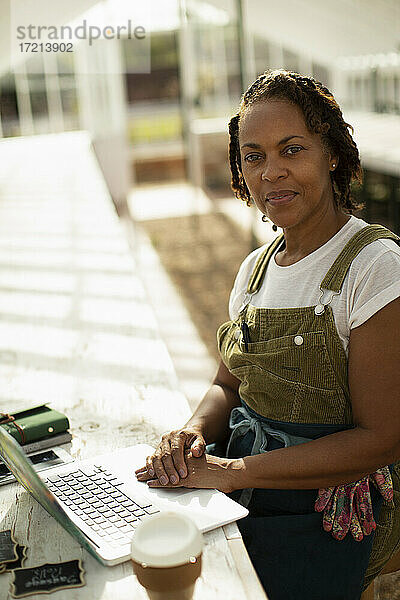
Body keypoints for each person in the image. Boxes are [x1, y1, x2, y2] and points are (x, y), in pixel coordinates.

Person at [135, 70, 400, 600]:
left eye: (291, 149)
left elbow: (381, 438)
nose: (271, 172)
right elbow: (226, 388)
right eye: (252, 156)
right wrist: (190, 433)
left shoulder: (374, 267)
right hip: (249, 507)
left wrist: (231, 470)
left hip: (331, 529)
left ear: (331, 153)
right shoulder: (255, 270)